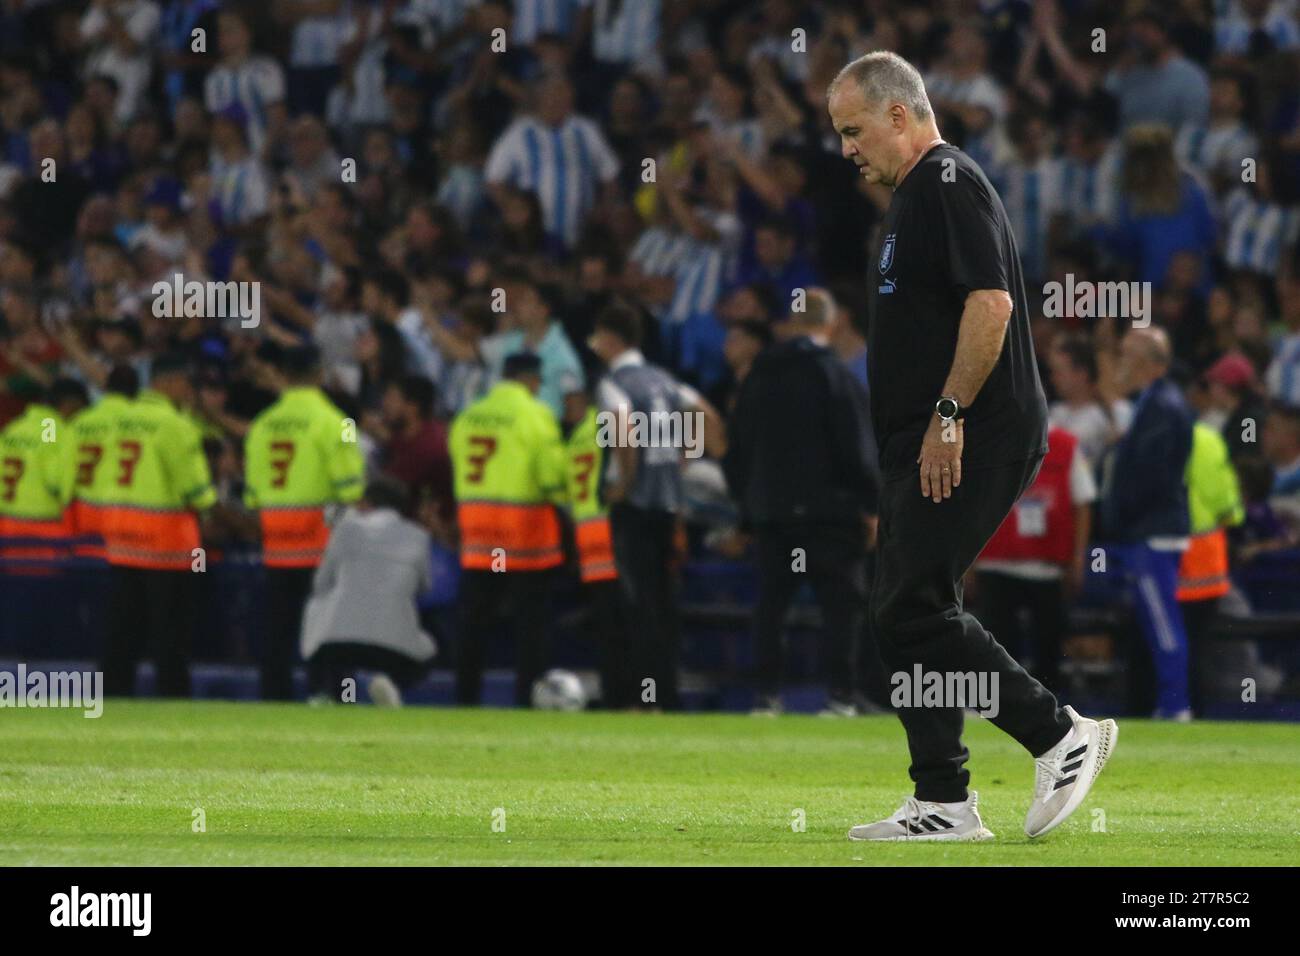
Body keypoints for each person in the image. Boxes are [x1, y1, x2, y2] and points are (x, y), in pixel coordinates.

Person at [827, 51, 1116, 842]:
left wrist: (948, 414)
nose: (847, 149)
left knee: (911, 605)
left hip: (969, 430)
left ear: (898, 114)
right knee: (907, 610)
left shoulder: (946, 183)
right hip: (928, 437)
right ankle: (944, 801)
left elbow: (989, 304)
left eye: (853, 130)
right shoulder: (919, 196)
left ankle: (1060, 735)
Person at [723, 288, 882, 716]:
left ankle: (765, 698)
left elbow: (738, 449)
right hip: (832, 517)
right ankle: (841, 698)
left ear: (791, 323)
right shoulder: (839, 376)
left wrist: (747, 509)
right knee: (840, 610)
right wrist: (871, 505)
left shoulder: (760, 374)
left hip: (774, 518)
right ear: (830, 324)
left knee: (772, 606)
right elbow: (856, 448)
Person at [587, 302, 726, 711]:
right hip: (669, 505)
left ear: (611, 339)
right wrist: (691, 454)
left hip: (635, 506)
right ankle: (665, 694)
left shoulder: (613, 383)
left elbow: (625, 433)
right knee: (663, 603)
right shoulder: (664, 380)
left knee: (637, 603)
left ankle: (641, 698)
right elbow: (708, 416)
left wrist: (625, 483)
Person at [245, 345, 366, 700]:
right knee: (329, 625)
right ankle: (326, 694)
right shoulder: (339, 423)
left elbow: (252, 496)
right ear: (319, 374)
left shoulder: (262, 425)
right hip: (322, 543)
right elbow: (351, 488)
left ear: (282, 374)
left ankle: (274, 697)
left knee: (278, 629)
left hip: (277, 543)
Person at [449, 351, 567, 706]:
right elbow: (551, 477)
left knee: (474, 622)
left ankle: (465, 700)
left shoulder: (468, 416)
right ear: (532, 379)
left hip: (479, 534)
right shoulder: (536, 415)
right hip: (522, 535)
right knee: (531, 627)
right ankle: (528, 700)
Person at [100, 354, 217, 697]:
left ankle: (113, 695)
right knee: (170, 630)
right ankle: (172, 696)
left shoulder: (119, 421)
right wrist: (211, 508)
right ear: (167, 383)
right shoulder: (176, 426)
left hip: (122, 537)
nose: (189, 391)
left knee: (122, 628)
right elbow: (195, 489)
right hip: (166, 543)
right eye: (185, 383)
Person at [1099, 327, 1197, 720]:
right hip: (1149, 530)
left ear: (1148, 362)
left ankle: (1176, 705)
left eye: (1127, 355)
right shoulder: (1154, 403)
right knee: (1156, 622)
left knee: (1163, 622)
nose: (1122, 363)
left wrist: (1120, 513)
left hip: (1154, 533)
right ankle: (1168, 702)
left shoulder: (1163, 406)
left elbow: (1151, 477)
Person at [974, 425, 1097, 696]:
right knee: (996, 641)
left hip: (1046, 566)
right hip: (996, 562)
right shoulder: (986, 436)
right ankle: (997, 702)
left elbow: (1083, 502)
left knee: (1048, 643)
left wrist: (1077, 559)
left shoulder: (1065, 445)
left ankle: (1047, 706)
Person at [300, 476, 437, 708]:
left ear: (366, 504)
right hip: (395, 650)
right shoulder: (419, 537)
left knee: (320, 610)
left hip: (339, 645)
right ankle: (394, 683)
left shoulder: (345, 530)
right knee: (429, 649)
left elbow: (321, 585)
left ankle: (330, 694)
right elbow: (424, 588)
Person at [562, 384, 631, 708]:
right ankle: (625, 694)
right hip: (602, 534)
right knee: (616, 620)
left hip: (598, 536)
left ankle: (618, 694)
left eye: (571, 401)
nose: (566, 409)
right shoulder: (595, 429)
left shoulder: (586, 432)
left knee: (611, 622)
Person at [1177, 420, 1245, 713]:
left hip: (1168, 557)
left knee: (1166, 643)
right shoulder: (1209, 439)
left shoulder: (1155, 431)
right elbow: (1228, 504)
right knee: (1196, 646)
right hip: (1207, 562)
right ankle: (1194, 711)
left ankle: (1169, 708)